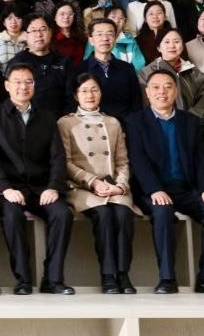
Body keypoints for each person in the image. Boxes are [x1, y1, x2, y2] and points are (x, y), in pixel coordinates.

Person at [125, 70, 204, 295]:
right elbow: (137, 160)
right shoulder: (135, 121)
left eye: (168, 86)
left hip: (187, 189)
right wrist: (155, 190)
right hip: (153, 191)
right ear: (147, 92)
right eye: (156, 87)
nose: (162, 92)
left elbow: (202, 159)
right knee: (162, 211)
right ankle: (167, 279)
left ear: (176, 91)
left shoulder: (191, 122)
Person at [0, 63, 74, 295]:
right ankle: (23, 279)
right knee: (12, 215)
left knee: (62, 213)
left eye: (28, 82)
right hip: (9, 188)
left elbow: (57, 157)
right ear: (7, 86)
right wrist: (4, 188)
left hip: (41, 187)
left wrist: (53, 187)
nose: (23, 87)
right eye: (17, 82)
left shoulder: (46, 117)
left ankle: (53, 279)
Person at [57, 74, 136, 294]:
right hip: (82, 187)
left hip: (112, 185)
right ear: (76, 96)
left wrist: (120, 186)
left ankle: (123, 274)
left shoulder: (113, 122)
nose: (89, 95)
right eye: (84, 91)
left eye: (94, 90)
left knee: (123, 214)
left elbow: (122, 161)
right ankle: (108, 276)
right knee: (104, 215)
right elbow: (66, 162)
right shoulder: (65, 123)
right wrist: (92, 182)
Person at [72, 19, 143, 121]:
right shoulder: (80, 70)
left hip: (125, 124)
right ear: (91, 40)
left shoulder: (126, 68)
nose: (105, 38)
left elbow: (136, 102)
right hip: (92, 124)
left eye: (110, 34)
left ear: (115, 38)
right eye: (99, 34)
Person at [139, 28, 204, 118]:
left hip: (192, 123)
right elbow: (145, 104)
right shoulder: (146, 73)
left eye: (176, 41)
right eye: (167, 42)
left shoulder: (195, 73)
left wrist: (187, 120)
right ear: (159, 47)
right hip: (160, 123)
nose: (172, 46)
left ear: (182, 46)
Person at [9, 14, 73, 116]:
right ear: (26, 35)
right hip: (26, 120)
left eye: (43, 29)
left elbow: (71, 97)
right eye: (33, 30)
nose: (39, 34)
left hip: (60, 120)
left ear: (50, 32)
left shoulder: (64, 61)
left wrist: (65, 120)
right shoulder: (17, 62)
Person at [87, 5, 147, 70]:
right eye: (113, 17)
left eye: (121, 18)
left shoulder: (130, 40)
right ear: (105, 18)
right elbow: (87, 61)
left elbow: (139, 65)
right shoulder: (95, 37)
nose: (117, 21)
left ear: (124, 22)